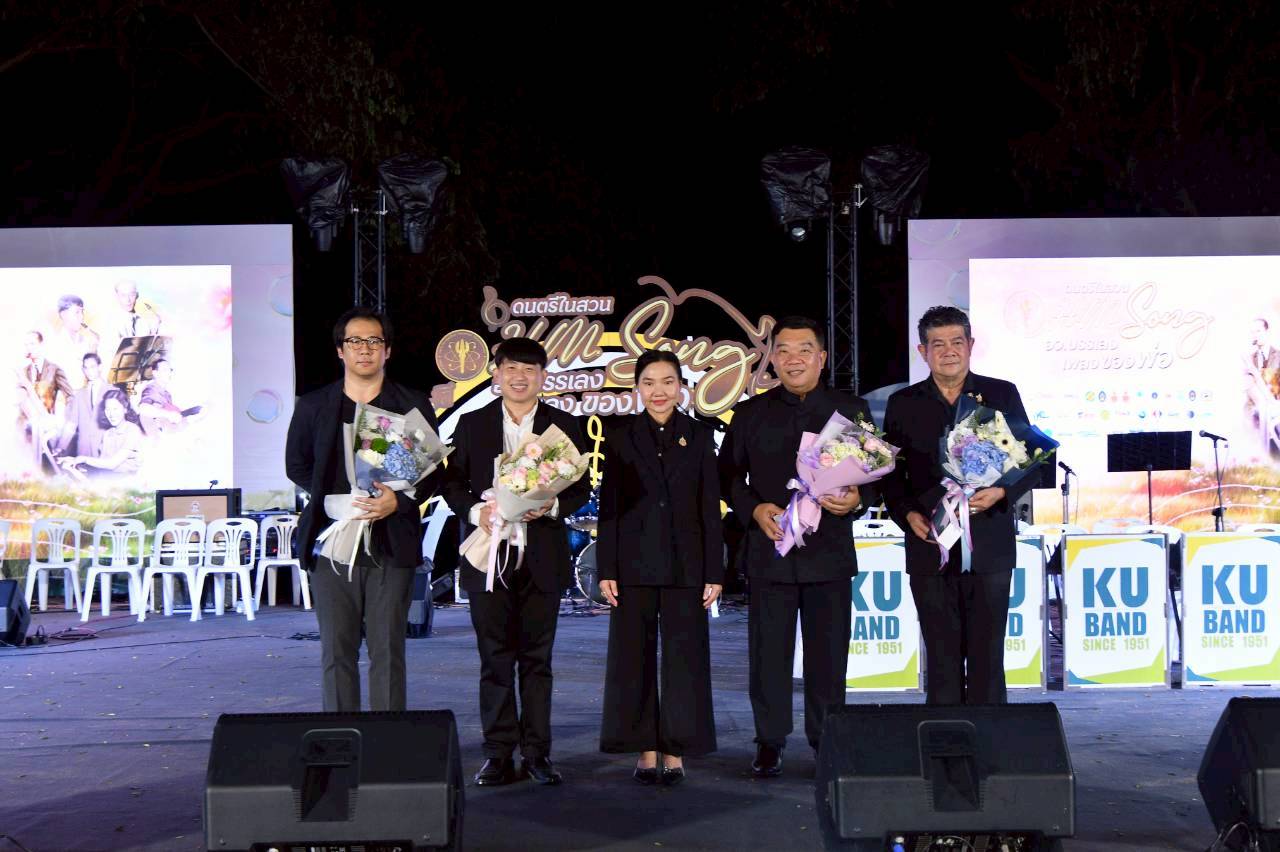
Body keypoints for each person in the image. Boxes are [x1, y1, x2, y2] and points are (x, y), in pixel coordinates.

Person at [718, 316, 873, 778]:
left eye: (804, 349)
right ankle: (769, 741)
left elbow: (873, 475)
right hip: (772, 550)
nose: (793, 359)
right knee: (768, 655)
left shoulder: (850, 410)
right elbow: (728, 477)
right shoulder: (751, 413)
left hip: (830, 553)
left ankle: (827, 740)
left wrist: (857, 500)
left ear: (821, 357)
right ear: (773, 360)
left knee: (829, 656)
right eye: (783, 350)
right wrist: (754, 509)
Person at [442, 337, 590, 787]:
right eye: (511, 368)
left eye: (529, 370)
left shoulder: (563, 425)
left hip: (542, 556)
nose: (519, 377)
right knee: (494, 658)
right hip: (488, 554)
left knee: (537, 660)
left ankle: (538, 753)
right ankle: (498, 753)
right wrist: (477, 512)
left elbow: (580, 486)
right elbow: (452, 483)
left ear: (543, 377)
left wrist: (552, 506)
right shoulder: (472, 424)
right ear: (497, 374)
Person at [284, 306, 442, 712]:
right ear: (341, 350)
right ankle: (342, 739)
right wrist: (334, 500)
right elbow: (296, 465)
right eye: (355, 341)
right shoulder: (315, 405)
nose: (365, 349)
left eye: (374, 341)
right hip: (332, 541)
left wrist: (398, 500)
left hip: (392, 542)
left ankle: (386, 743)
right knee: (337, 652)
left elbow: (432, 472)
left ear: (387, 350)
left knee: (388, 651)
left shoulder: (410, 403)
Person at [881, 305, 1033, 706]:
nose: (948, 351)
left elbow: (1030, 457)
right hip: (929, 543)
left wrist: (1002, 492)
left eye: (956, 342)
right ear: (923, 351)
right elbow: (891, 475)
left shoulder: (1001, 394)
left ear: (970, 345)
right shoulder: (903, 403)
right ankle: (943, 736)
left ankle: (990, 736)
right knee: (941, 655)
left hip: (989, 544)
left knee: (988, 654)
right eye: (937, 344)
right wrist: (906, 514)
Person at [597, 350, 723, 786]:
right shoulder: (620, 436)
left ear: (681, 388)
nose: (659, 391)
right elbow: (609, 508)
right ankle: (645, 748)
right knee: (632, 657)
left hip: (688, 564)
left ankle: (676, 748)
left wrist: (714, 571)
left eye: (668, 382)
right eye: (649, 382)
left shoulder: (700, 435)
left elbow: (709, 507)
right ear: (637, 388)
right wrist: (607, 567)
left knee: (685, 658)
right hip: (632, 563)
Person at [60, 388, 144, 476]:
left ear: (125, 409)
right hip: (110, 478)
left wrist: (83, 459)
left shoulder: (132, 431)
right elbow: (102, 464)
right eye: (108, 409)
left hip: (130, 479)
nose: (111, 414)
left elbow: (112, 464)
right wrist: (74, 460)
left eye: (115, 409)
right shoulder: (108, 433)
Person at [56, 353, 109, 458]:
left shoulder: (112, 391)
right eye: (86, 368)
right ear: (83, 370)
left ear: (100, 367)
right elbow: (71, 424)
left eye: (92, 367)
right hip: (84, 452)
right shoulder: (79, 395)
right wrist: (60, 447)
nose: (89, 371)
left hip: (106, 451)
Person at [45, 295, 100, 389]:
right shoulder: (54, 344)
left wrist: (93, 351)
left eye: (82, 312)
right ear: (64, 315)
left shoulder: (87, 342)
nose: (81, 317)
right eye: (77, 312)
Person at [137, 359, 203, 434]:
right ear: (155, 373)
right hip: (157, 436)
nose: (169, 373)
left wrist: (189, 416)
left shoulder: (167, 394)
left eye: (170, 370)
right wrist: (168, 415)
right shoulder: (152, 389)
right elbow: (143, 408)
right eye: (165, 370)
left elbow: (171, 418)